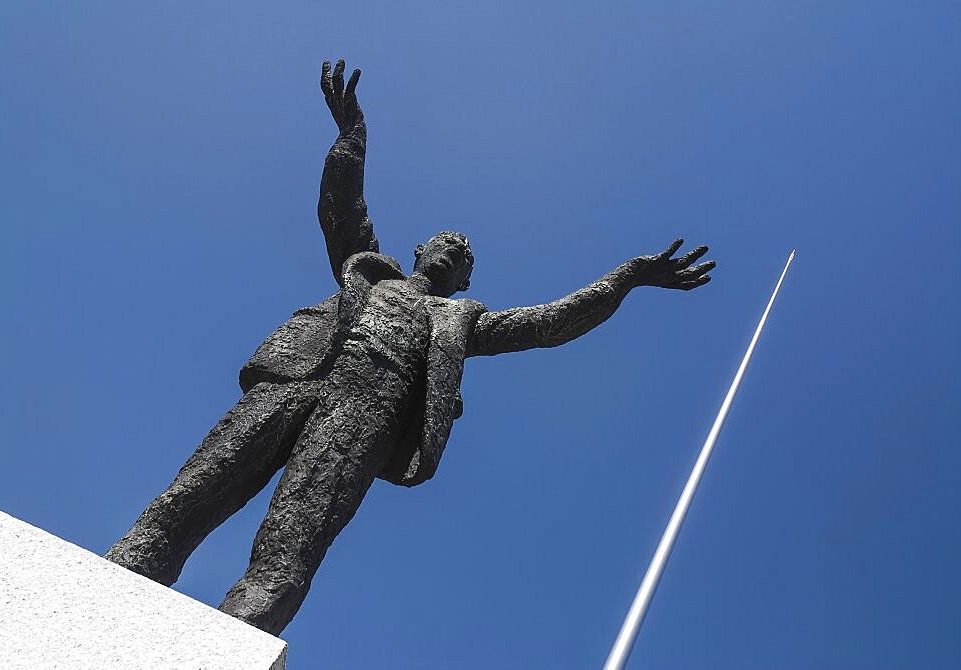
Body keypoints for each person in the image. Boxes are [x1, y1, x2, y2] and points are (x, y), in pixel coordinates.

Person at [105, 60, 715, 635]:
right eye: (444, 242)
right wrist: (353, 135)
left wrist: (626, 278)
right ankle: (100, 596)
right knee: (193, 492)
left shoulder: (459, 322)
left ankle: (230, 646)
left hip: (361, 419)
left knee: (288, 553)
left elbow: (550, 323)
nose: (453, 250)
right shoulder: (368, 267)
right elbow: (341, 205)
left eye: (464, 256)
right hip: (300, 378)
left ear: (465, 281)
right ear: (421, 251)